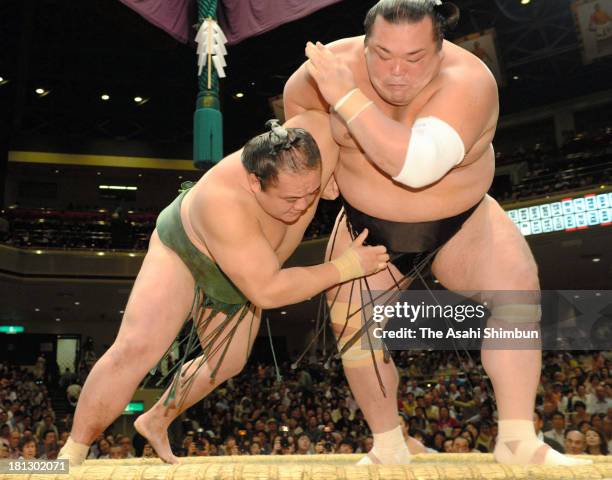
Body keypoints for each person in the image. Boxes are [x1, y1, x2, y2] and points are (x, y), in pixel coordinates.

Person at [284, 0, 591, 466]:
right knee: (352, 327)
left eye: (414, 58)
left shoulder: (469, 82)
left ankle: (517, 440)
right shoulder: (325, 70)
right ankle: (388, 443)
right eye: (382, 54)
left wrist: (346, 97)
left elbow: (416, 166)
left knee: (517, 297)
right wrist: (317, 161)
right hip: (368, 227)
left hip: (462, 222)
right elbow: (300, 109)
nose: (396, 72)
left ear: (441, 48)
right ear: (364, 45)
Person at [58, 112, 389, 466]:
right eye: (291, 198)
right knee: (136, 347)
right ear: (254, 182)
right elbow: (268, 291)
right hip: (187, 252)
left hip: (248, 267)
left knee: (227, 363)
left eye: (311, 192)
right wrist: (346, 267)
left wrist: (337, 174)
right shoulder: (222, 203)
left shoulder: (319, 134)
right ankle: (71, 453)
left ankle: (156, 419)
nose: (303, 205)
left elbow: (312, 98)